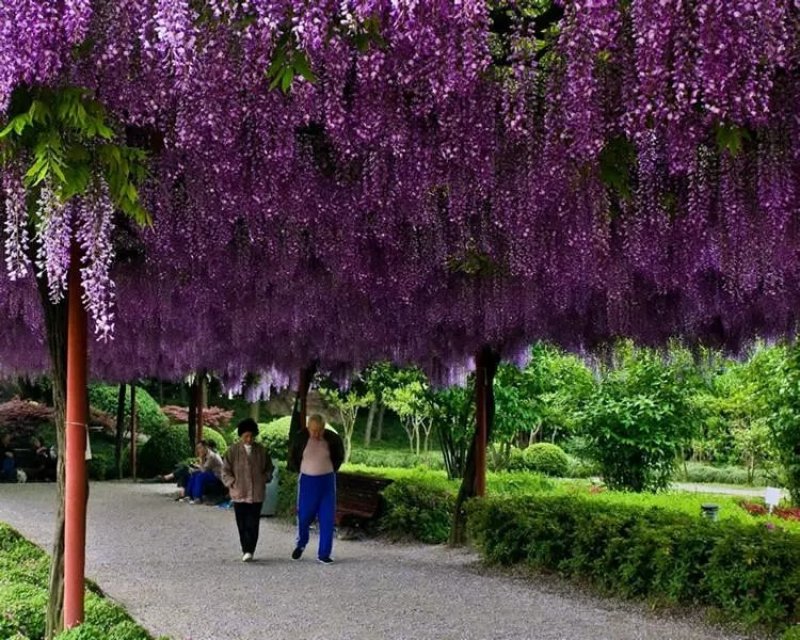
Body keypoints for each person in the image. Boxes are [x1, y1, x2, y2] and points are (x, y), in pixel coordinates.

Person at [288, 414, 345, 564]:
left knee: (327, 518)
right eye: (313, 431)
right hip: (307, 482)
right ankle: (301, 544)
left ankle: (324, 553)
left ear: (324, 428)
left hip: (326, 482)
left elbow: (339, 457)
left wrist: (331, 469)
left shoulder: (332, 439)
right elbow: (293, 457)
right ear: (308, 428)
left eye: (319, 431)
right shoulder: (301, 438)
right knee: (304, 516)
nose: (316, 434)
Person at [221, 419, 274, 562]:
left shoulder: (262, 450)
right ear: (241, 436)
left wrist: (265, 478)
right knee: (241, 523)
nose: (249, 439)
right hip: (239, 492)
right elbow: (225, 470)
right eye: (246, 436)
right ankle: (245, 548)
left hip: (256, 492)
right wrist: (232, 482)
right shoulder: (232, 451)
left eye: (251, 436)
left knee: (253, 522)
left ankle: (250, 549)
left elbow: (269, 468)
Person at [184, 440, 224, 504]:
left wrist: (201, 458)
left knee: (200, 476)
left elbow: (203, 470)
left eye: (200, 447)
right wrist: (193, 470)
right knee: (194, 474)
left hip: (218, 477)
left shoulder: (211, 456)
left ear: (205, 447)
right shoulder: (206, 455)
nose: (199, 450)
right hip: (211, 474)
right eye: (198, 448)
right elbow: (204, 469)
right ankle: (188, 495)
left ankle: (197, 498)